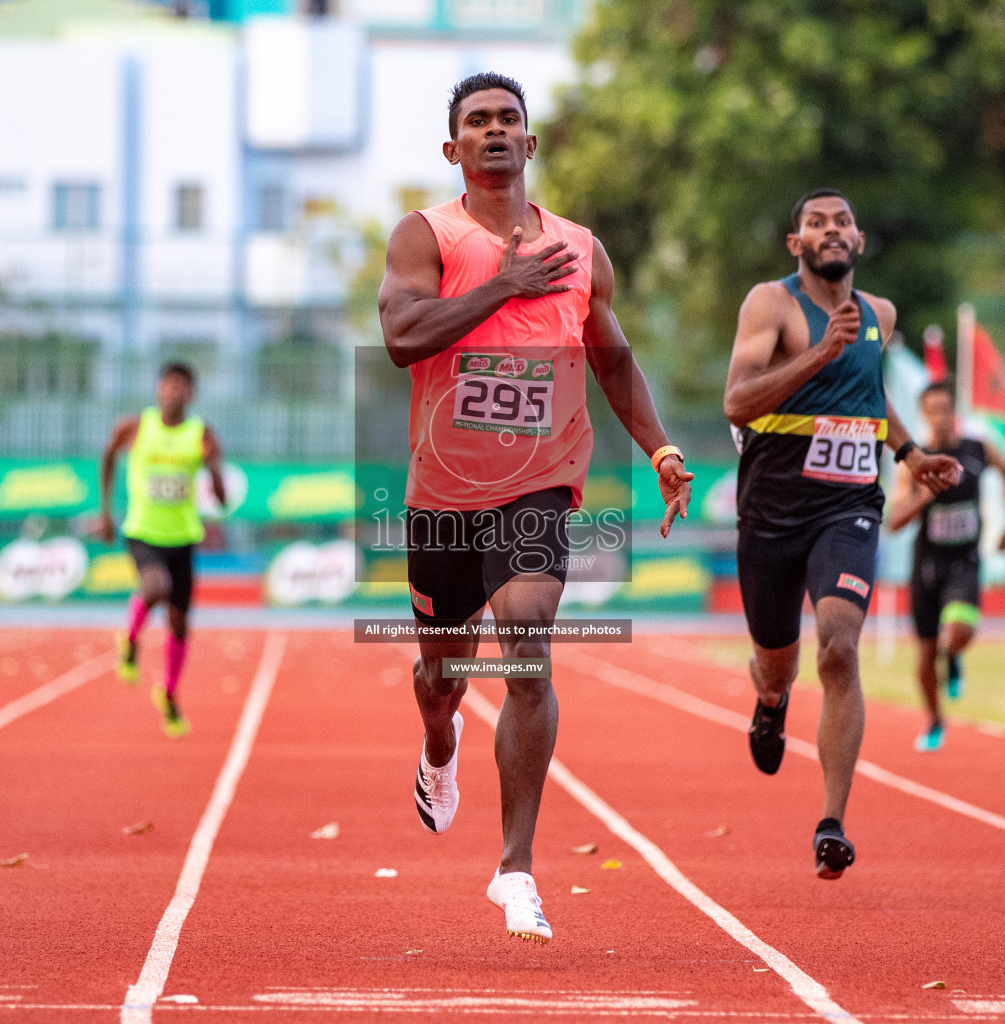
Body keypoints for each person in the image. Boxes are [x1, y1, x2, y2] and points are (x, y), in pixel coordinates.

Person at [377, 72, 693, 944]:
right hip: (444, 492)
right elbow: (404, 339)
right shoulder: (425, 236)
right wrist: (503, 288)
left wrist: (660, 449)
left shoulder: (583, 250)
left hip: (540, 483)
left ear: (530, 141)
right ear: (454, 148)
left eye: (508, 119)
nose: (493, 132)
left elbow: (615, 361)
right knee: (442, 680)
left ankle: (515, 868)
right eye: (476, 122)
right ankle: (440, 752)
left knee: (528, 645)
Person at [723, 188, 960, 879]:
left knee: (839, 646)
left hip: (848, 507)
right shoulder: (771, 305)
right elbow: (737, 400)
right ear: (797, 244)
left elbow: (868, 393)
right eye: (816, 224)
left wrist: (911, 453)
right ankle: (770, 701)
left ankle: (832, 822)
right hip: (771, 508)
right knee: (779, 662)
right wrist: (818, 354)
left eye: (843, 222)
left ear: (859, 240)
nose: (832, 231)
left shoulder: (880, 315)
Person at [98, 362, 227, 738]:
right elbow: (108, 457)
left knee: (180, 624)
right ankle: (131, 637)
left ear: (192, 394)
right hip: (143, 531)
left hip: (183, 538)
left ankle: (168, 693)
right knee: (156, 588)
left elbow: (221, 496)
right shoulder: (136, 427)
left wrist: (212, 468)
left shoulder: (201, 434)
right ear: (157, 389)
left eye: (182, 387)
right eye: (168, 385)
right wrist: (105, 513)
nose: (174, 392)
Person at [885, 380, 1005, 751]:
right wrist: (925, 495)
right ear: (923, 414)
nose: (940, 417)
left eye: (946, 409)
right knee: (925, 654)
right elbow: (893, 521)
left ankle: (954, 656)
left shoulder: (977, 448)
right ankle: (935, 719)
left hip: (965, 559)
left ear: (954, 411)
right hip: (927, 565)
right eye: (932, 410)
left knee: (956, 631)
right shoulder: (914, 459)